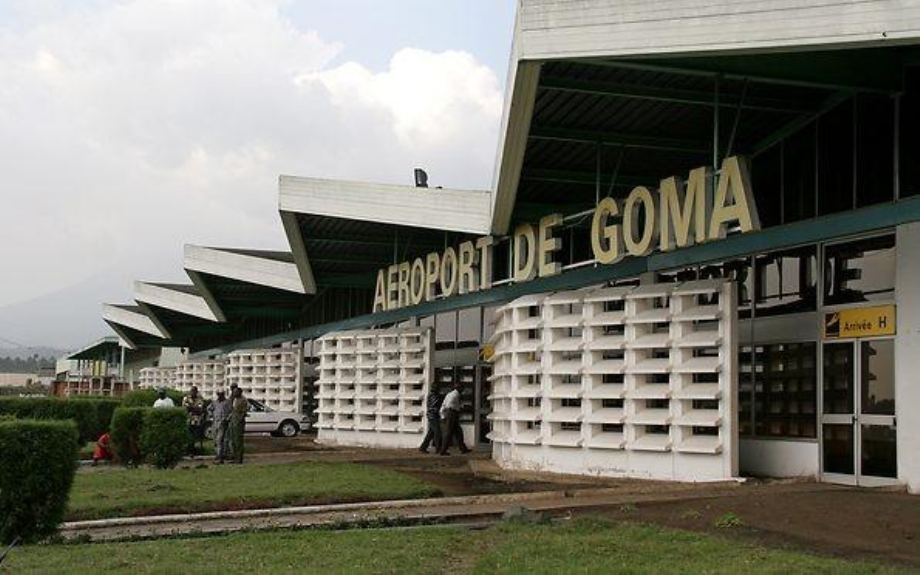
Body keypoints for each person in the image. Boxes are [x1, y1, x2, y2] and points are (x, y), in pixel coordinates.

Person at [438, 383, 470, 456]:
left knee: (459, 432)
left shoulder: (449, 394)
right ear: (459, 388)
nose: (463, 390)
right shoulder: (455, 395)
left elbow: (444, 404)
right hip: (452, 414)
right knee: (448, 433)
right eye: (462, 389)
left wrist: (442, 415)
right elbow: (449, 405)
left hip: (451, 414)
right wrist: (455, 408)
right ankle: (443, 451)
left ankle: (463, 449)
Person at [418, 386, 444, 453]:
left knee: (431, 433)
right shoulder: (434, 396)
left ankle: (423, 447)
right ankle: (438, 448)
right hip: (433, 416)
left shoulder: (431, 395)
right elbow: (435, 406)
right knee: (437, 432)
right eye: (437, 389)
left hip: (431, 416)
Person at [183, 386, 206, 455]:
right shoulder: (186, 398)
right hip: (188, 420)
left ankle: (194, 451)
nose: (193, 392)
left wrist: (191, 407)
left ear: (196, 392)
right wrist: (194, 408)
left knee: (195, 436)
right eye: (192, 391)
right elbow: (185, 408)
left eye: (194, 391)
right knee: (188, 436)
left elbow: (200, 409)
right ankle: (188, 451)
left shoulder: (200, 398)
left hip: (197, 421)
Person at [211, 389, 232, 464]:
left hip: (223, 423)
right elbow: (209, 409)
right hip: (215, 422)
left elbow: (231, 412)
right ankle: (217, 454)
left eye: (221, 394)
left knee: (220, 440)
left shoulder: (227, 402)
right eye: (218, 394)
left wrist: (226, 419)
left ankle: (220, 456)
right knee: (215, 439)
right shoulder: (215, 402)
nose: (220, 395)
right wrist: (211, 415)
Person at [228, 386, 248, 464]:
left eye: (235, 392)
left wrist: (239, 421)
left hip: (238, 423)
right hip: (232, 421)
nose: (234, 393)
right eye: (233, 391)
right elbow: (232, 410)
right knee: (233, 440)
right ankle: (234, 457)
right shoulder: (234, 399)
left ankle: (239, 458)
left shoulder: (243, 400)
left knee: (238, 441)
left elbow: (244, 412)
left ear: (240, 392)